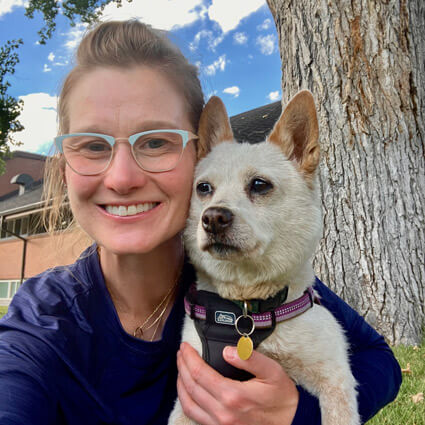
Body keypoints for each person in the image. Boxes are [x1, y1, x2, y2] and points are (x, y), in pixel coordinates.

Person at [0, 20, 401, 425]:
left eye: (155, 141)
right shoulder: (40, 325)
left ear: (199, 153)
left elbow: (379, 360)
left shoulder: (247, 271)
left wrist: (298, 414)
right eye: (91, 145)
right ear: (64, 168)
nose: (122, 178)